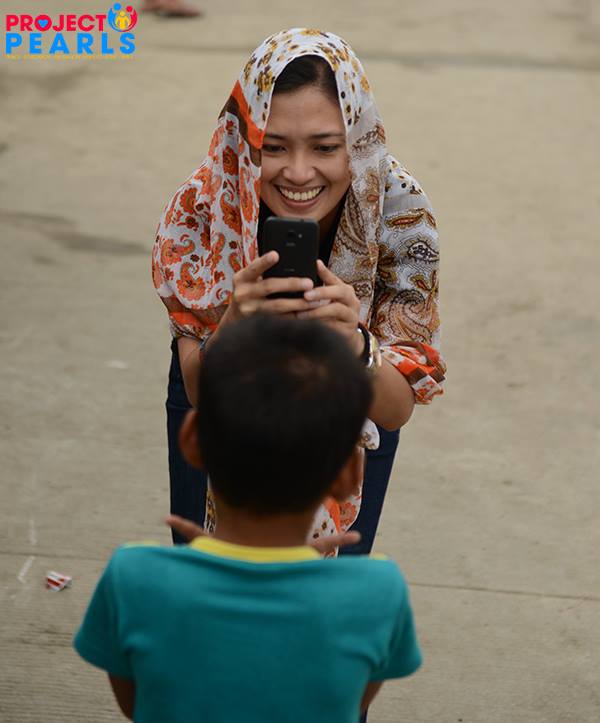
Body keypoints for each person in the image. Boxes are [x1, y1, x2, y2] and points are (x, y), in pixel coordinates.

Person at [152, 28, 446, 552]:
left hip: (355, 405)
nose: (298, 173)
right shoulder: (203, 207)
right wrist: (232, 331)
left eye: (325, 147)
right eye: (273, 147)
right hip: (222, 404)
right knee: (206, 575)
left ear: (357, 141)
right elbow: (198, 389)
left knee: (337, 590)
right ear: (244, 140)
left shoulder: (401, 212)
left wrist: (355, 345)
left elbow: (395, 409)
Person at [73, 315, 422, 722]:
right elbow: (350, 703)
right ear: (351, 473)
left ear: (192, 440)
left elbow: (138, 705)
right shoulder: (376, 594)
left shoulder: (133, 578)